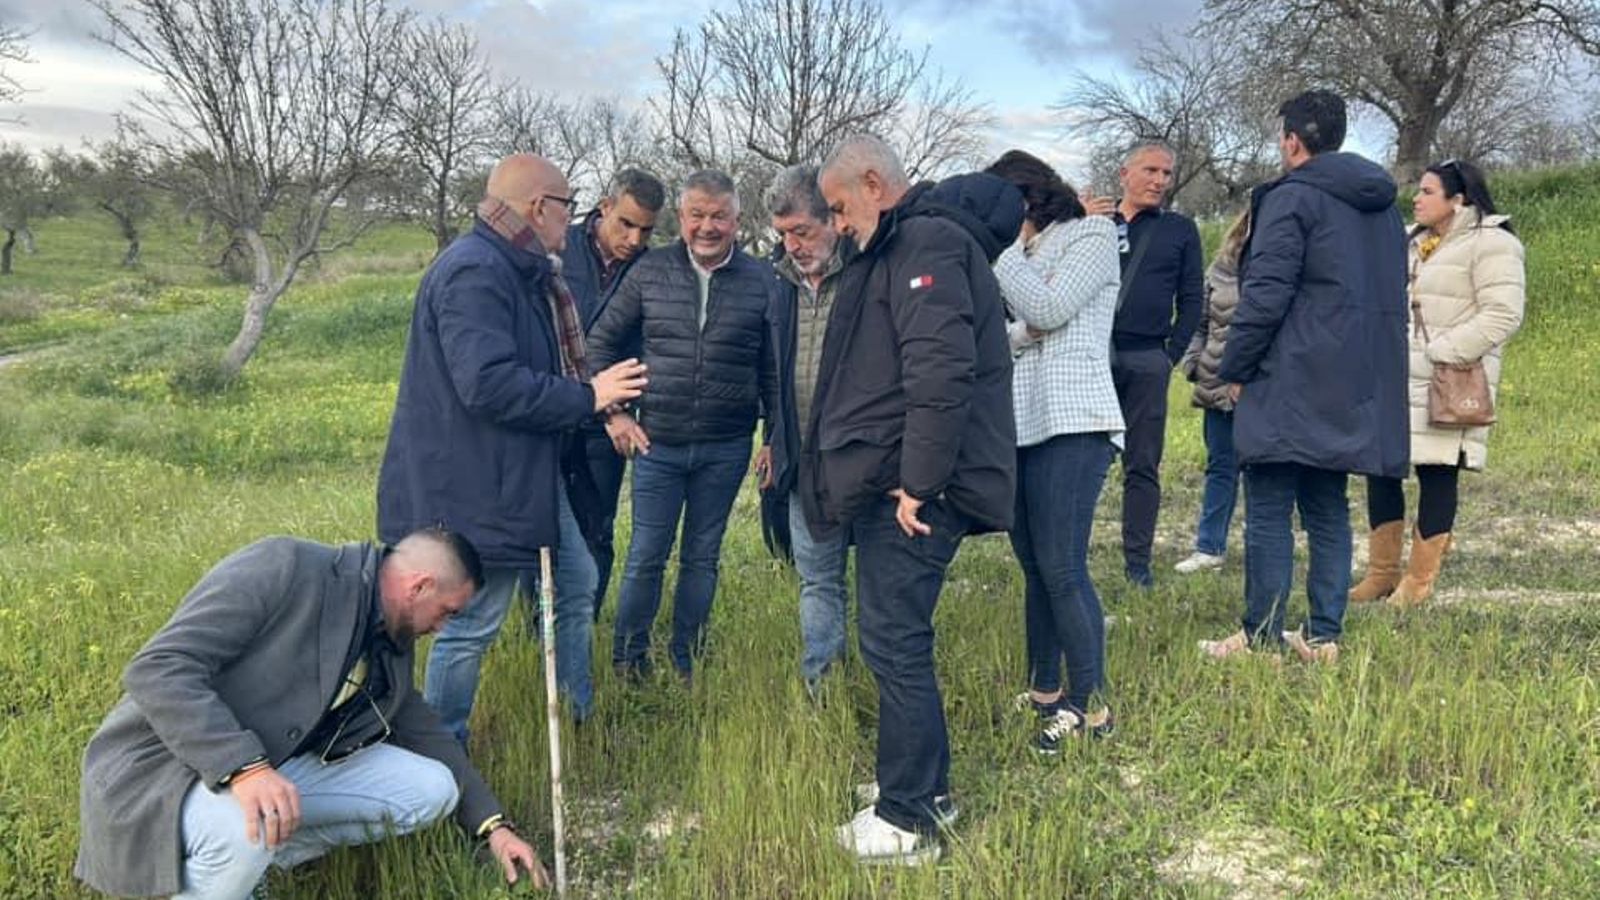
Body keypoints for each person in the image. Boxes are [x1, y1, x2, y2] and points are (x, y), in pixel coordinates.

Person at [74, 531, 549, 899]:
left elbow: (420, 725)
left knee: (432, 789)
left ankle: (249, 869)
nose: (442, 627)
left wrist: (493, 826)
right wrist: (244, 767)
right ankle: (218, 872)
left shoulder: (388, 630)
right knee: (245, 829)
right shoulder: (284, 565)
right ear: (419, 586)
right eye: (446, 612)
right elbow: (156, 668)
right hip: (163, 768)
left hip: (271, 765)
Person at [376, 154, 649, 730]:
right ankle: (445, 751)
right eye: (567, 207)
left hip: (526, 472)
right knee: (472, 622)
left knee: (577, 581)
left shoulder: (522, 272)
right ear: (538, 208)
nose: (569, 224)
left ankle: (578, 714)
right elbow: (488, 385)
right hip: (478, 485)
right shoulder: (476, 272)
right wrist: (589, 396)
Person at [809, 135, 1016, 865]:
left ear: (874, 183)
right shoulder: (904, 245)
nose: (836, 224)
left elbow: (939, 374)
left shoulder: (924, 241)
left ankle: (909, 820)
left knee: (895, 642)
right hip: (898, 480)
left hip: (917, 490)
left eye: (838, 207)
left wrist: (920, 483)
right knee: (894, 639)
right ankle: (922, 790)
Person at [1199, 90, 1408, 663]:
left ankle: (1262, 636)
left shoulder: (1292, 198)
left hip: (1288, 374)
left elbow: (1264, 295)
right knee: (1327, 505)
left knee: (1268, 505)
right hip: (1354, 375)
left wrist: (1234, 368)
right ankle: (1323, 636)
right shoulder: (1383, 207)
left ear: (1292, 140)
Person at [588, 169, 780, 682]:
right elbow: (598, 344)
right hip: (658, 444)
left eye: (719, 216)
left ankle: (685, 658)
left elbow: (773, 369)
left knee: (702, 556)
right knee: (646, 556)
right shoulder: (649, 272)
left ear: (738, 220)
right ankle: (629, 659)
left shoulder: (763, 281)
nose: (707, 226)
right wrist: (616, 413)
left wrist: (775, 437)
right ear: (682, 217)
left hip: (726, 445)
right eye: (697, 215)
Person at [984, 149, 1123, 753]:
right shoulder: (1031, 255)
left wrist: (1004, 252)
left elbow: (1046, 307)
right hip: (1022, 421)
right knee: (1035, 566)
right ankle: (1045, 691)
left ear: (1023, 200)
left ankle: (1091, 706)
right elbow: (1010, 331)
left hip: (1076, 420)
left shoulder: (1091, 233)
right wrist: (1025, 329)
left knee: (1063, 566)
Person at [1349, 158, 1525, 606]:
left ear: (1457, 199)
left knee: (1437, 472)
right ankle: (1381, 573)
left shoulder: (1494, 243)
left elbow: (1503, 313)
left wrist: (1442, 352)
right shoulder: (1414, 240)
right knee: (1381, 467)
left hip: (1448, 378)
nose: (1417, 197)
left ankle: (1418, 583)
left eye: (1427, 191)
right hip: (1396, 377)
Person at [1087, 143, 1204, 588]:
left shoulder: (1180, 230)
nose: (1159, 180)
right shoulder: (1094, 221)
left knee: (1142, 464)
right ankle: (1069, 551)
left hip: (1146, 357)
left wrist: (1169, 354)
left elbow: (1193, 298)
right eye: (1150, 170)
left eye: (1167, 173)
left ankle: (1137, 565)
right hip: (1093, 356)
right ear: (1124, 173)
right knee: (1084, 458)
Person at [760, 163, 854, 694]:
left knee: (882, 586)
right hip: (803, 459)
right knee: (818, 580)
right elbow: (774, 370)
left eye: (802, 231)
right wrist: (774, 439)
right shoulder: (779, 285)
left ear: (833, 219)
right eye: (783, 235)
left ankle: (889, 680)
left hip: (862, 458)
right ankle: (824, 688)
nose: (792, 245)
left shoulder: (867, 271)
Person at [559, 168, 666, 619]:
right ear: (604, 206)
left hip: (611, 422)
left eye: (645, 229)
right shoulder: (557, 248)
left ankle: (584, 623)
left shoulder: (651, 268)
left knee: (597, 530)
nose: (634, 238)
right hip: (552, 409)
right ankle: (538, 627)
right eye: (626, 223)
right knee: (541, 530)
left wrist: (618, 411)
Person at [1174, 209, 1252, 575]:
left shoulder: (1283, 268)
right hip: (1216, 379)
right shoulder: (1220, 269)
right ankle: (1209, 547)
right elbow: (1199, 322)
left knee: (1262, 471)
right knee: (1221, 466)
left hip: (1261, 387)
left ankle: (1264, 545)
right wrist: (1193, 362)